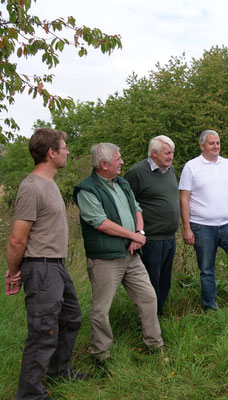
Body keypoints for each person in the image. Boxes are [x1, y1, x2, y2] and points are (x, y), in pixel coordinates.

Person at [5, 128, 83, 400]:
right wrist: (14, 273)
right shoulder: (32, 187)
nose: (68, 152)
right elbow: (17, 240)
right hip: (41, 268)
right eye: (64, 147)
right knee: (42, 332)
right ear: (51, 153)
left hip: (56, 267)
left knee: (71, 317)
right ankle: (30, 394)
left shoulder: (49, 184)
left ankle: (59, 370)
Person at [73, 143, 163, 362]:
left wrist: (138, 232)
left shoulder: (121, 183)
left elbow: (137, 209)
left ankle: (154, 345)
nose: (122, 162)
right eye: (118, 159)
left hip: (131, 255)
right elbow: (101, 223)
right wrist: (132, 236)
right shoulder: (86, 190)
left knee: (149, 298)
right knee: (101, 309)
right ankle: (101, 355)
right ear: (104, 164)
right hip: (105, 259)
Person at [179, 130, 228, 311]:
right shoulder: (191, 167)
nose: (216, 146)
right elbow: (184, 199)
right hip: (202, 227)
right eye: (212, 143)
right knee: (207, 270)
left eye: (218, 143)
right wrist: (187, 228)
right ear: (202, 145)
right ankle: (210, 307)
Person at [124, 135, 180, 317]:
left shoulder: (171, 171)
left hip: (169, 237)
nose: (171, 156)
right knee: (150, 283)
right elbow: (127, 204)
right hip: (150, 239)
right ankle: (148, 319)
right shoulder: (137, 173)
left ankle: (158, 316)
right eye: (167, 153)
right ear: (154, 153)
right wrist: (134, 233)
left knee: (165, 282)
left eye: (172, 152)